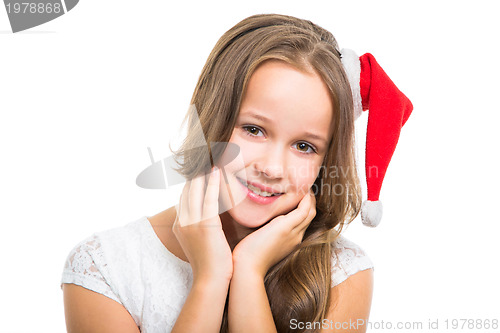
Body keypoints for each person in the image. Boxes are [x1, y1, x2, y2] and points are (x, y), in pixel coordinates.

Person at [61, 13, 412, 333]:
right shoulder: (104, 267)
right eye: (253, 130)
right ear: (212, 118)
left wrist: (248, 273)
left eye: (305, 146)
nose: (272, 168)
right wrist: (210, 279)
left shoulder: (341, 273)